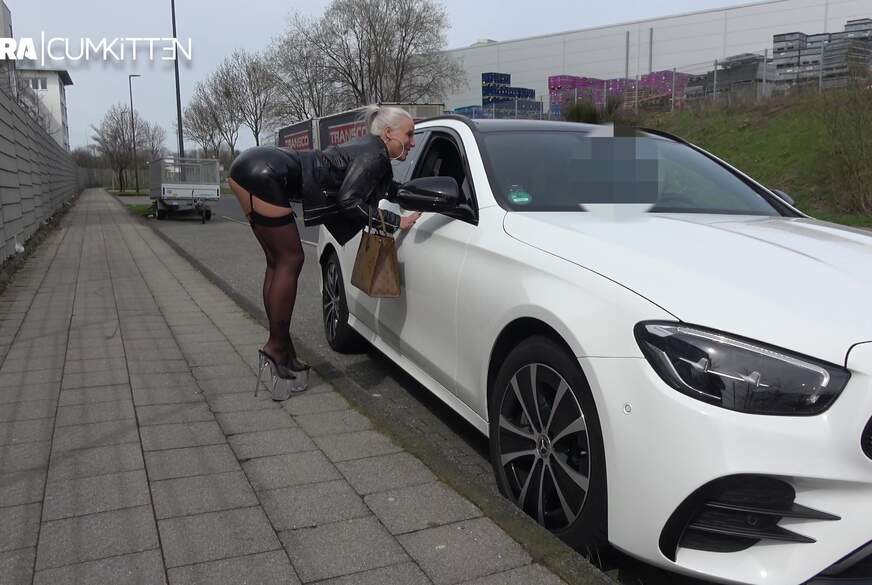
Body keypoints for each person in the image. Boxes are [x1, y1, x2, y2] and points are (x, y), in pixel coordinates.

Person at [228, 105, 421, 400]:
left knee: (277, 262)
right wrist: (397, 221)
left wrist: (416, 195)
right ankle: (276, 348)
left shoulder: (371, 151)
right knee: (291, 259)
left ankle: (283, 348)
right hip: (265, 172)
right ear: (388, 133)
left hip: (252, 165)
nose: (412, 142)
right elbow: (349, 201)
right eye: (409, 135)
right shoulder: (374, 154)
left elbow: (383, 187)